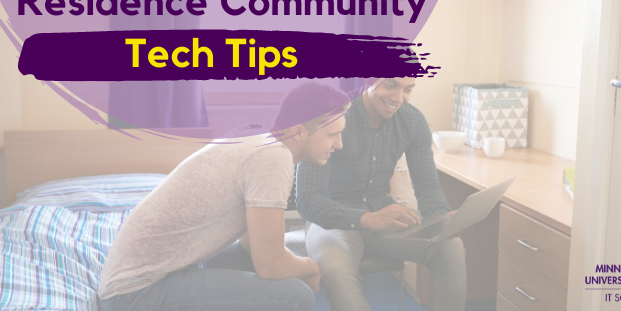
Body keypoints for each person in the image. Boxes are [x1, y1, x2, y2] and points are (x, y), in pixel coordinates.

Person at [98, 82, 350, 311]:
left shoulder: (255, 136)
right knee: (296, 295)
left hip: (134, 280)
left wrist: (290, 264)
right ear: (298, 132)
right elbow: (270, 265)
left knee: (250, 259)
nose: (339, 145)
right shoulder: (273, 158)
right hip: (134, 294)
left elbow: (253, 244)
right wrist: (311, 267)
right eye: (332, 134)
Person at [296, 77, 467, 311]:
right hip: (332, 220)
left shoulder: (412, 120)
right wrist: (366, 219)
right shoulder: (332, 115)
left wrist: (440, 220)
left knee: (450, 247)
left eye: (407, 89)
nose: (398, 98)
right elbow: (308, 200)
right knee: (335, 267)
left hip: (385, 216)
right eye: (390, 85)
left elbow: (427, 185)